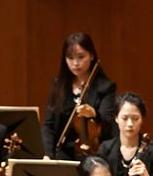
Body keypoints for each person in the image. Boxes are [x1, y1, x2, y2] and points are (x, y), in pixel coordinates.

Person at [41, 32, 116, 160]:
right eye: (70, 57)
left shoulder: (105, 87)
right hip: (62, 154)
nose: (75, 63)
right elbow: (49, 125)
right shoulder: (58, 85)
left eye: (81, 57)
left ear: (92, 56)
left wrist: (94, 114)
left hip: (94, 155)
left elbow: (109, 126)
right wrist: (48, 155)